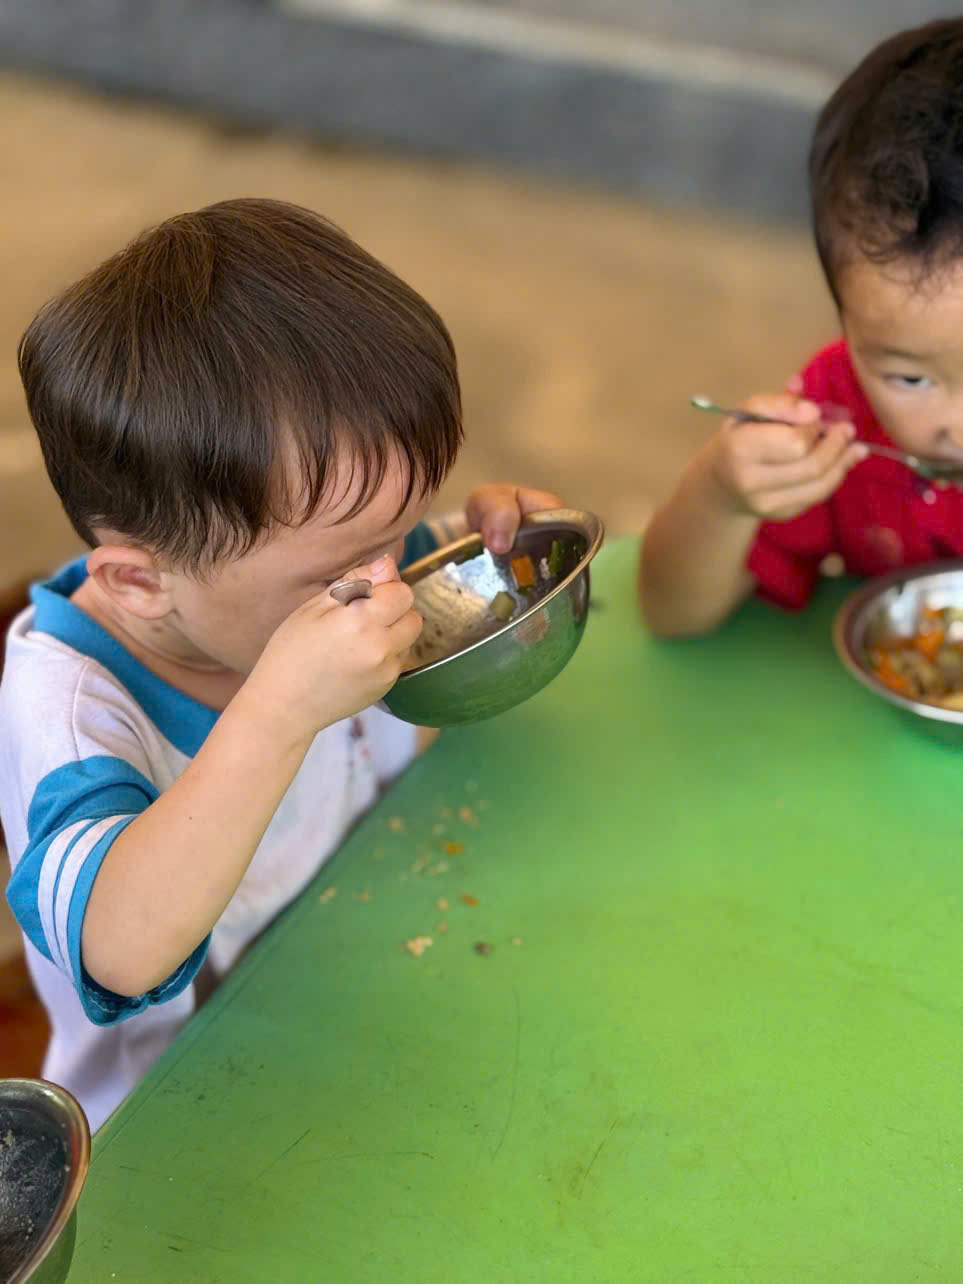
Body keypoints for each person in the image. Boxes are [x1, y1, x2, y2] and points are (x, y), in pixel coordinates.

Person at [0, 198, 562, 1131]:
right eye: (352, 566)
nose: (391, 580)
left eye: (402, 529)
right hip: (182, 1137)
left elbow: (435, 616)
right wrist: (276, 714)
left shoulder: (319, 562)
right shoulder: (67, 706)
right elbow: (119, 950)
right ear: (142, 584)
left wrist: (499, 556)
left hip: (373, 1007)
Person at [640, 18, 963, 637]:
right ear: (843, 314)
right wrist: (723, 495)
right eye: (909, 376)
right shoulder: (837, 416)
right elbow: (670, 614)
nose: (951, 426)